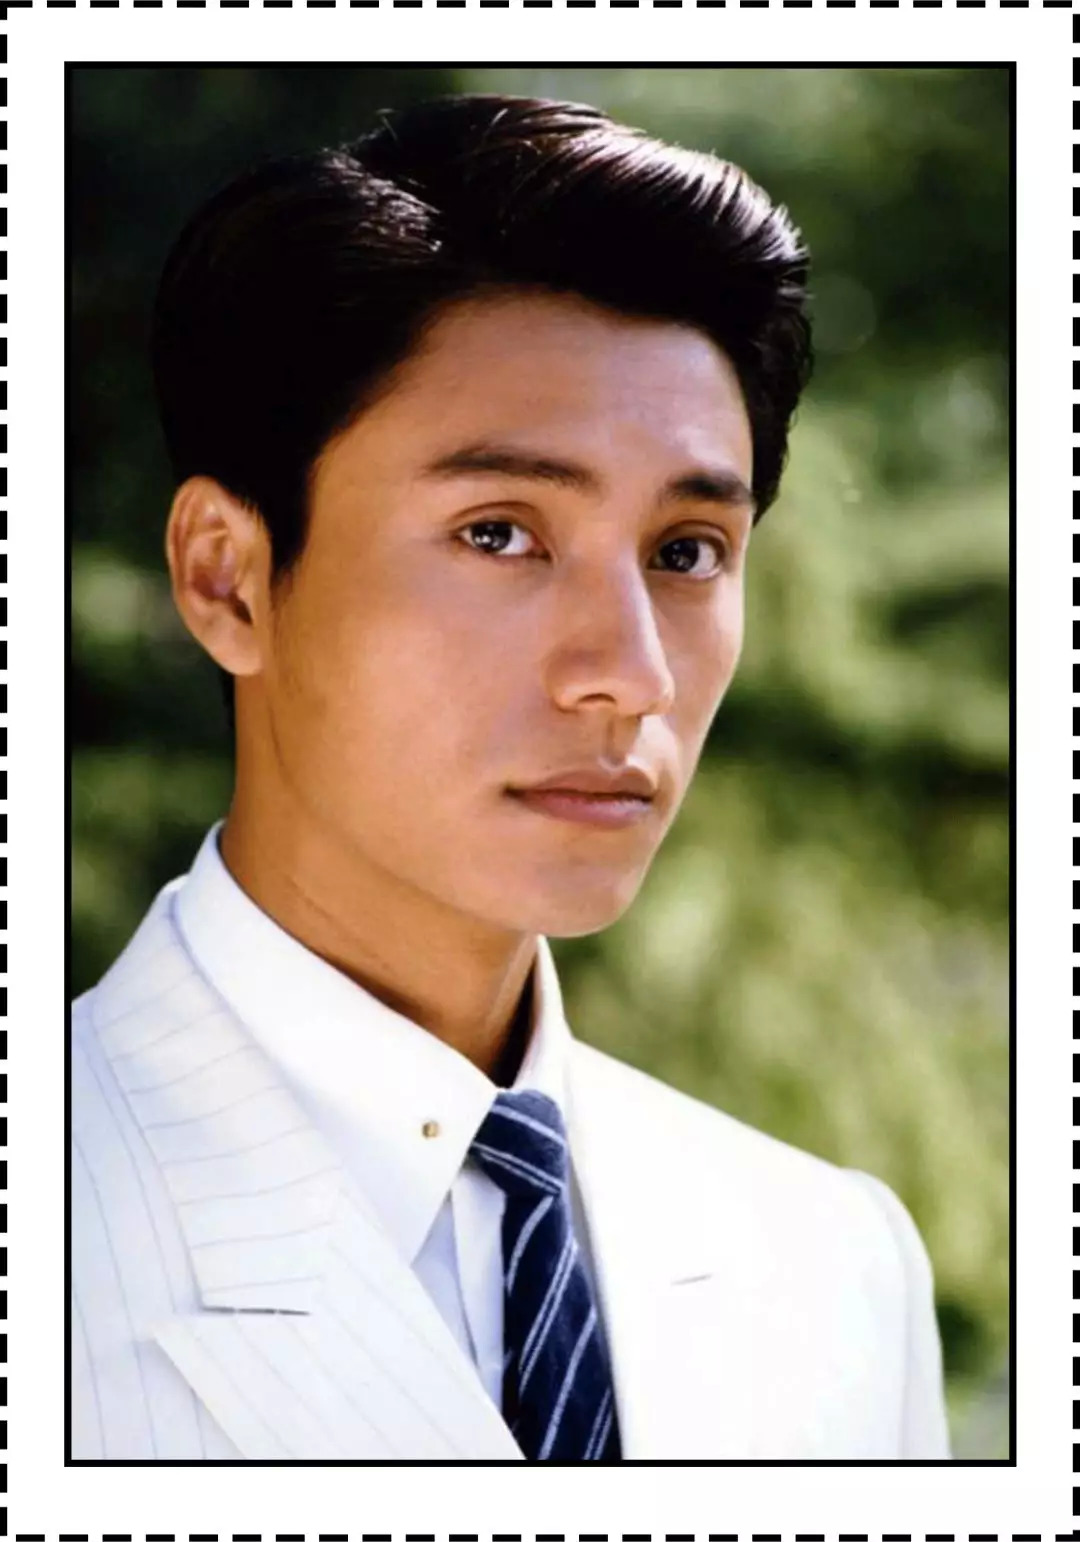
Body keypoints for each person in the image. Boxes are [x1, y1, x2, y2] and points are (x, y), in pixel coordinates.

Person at [70, 93, 950, 1462]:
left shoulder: (833, 1273)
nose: (630, 673)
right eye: (498, 533)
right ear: (228, 578)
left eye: (687, 551)